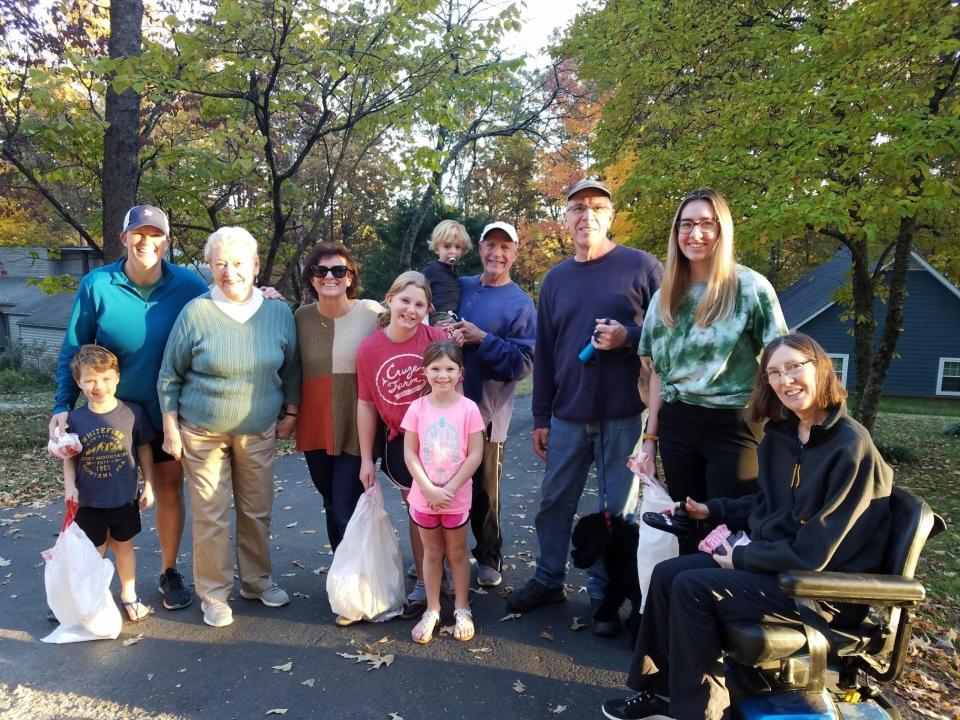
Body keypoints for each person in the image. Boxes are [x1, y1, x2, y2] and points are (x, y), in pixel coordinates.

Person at [600, 333, 893, 720]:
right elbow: (767, 504)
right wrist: (711, 509)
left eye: (794, 368)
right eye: (774, 372)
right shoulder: (784, 436)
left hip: (819, 589)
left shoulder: (849, 447)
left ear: (820, 368)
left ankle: (700, 711)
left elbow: (816, 551)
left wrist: (740, 556)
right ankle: (666, 693)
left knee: (692, 587)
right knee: (669, 573)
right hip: (780, 566)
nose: (785, 380)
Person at [507, 179, 662, 639]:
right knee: (554, 501)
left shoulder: (641, 267)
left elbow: (667, 334)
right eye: (577, 207)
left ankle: (605, 591)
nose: (586, 215)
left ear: (610, 216)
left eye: (596, 207)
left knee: (616, 511)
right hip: (567, 415)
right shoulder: (556, 279)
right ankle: (548, 578)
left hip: (624, 414)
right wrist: (539, 417)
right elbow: (547, 352)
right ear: (565, 219)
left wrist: (628, 339)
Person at [51, 204, 207, 612]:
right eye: (138, 233)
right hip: (108, 416)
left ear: (166, 242)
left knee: (169, 489)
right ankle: (84, 585)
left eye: (156, 234)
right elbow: (74, 347)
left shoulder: (190, 286)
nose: (146, 241)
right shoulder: (97, 284)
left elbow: (225, 312)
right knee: (98, 498)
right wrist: (63, 404)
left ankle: (169, 572)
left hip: (167, 413)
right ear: (124, 238)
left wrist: (262, 297)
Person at [157, 227, 300, 628]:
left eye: (238, 263)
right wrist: (170, 428)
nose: (229, 271)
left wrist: (291, 413)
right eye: (220, 263)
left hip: (257, 430)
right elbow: (169, 376)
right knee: (212, 515)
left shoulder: (278, 312)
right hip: (201, 431)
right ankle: (215, 594)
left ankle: (256, 581)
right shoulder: (196, 312)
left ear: (255, 266)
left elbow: (292, 370)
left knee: (257, 511)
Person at [637, 188, 787, 550]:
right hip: (677, 426)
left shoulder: (751, 288)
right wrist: (650, 440)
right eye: (686, 225)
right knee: (687, 528)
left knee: (729, 533)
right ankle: (689, 604)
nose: (696, 233)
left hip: (733, 424)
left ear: (722, 231)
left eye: (707, 223)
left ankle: (729, 605)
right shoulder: (665, 296)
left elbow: (782, 359)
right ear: (676, 233)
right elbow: (658, 372)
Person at [356, 271, 448, 618]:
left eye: (419, 304)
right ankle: (426, 582)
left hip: (442, 442)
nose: (411, 310)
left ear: (427, 309)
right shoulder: (370, 349)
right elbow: (365, 404)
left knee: (447, 509)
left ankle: (447, 571)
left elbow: (458, 393)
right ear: (390, 299)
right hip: (402, 443)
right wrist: (367, 459)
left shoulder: (436, 338)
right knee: (420, 510)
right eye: (405, 300)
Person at [450, 220, 535, 588]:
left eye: (505, 247)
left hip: (487, 413)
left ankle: (488, 556)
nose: (496, 253)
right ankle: (438, 553)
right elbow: (417, 294)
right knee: (442, 484)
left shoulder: (520, 303)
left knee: (485, 492)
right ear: (480, 248)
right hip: (443, 408)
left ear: (515, 254)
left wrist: (482, 339)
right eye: (490, 245)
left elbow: (524, 363)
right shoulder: (462, 286)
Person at [295, 242, 383, 552]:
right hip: (316, 424)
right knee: (332, 502)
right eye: (320, 270)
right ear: (311, 277)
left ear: (350, 277)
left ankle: (363, 582)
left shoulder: (372, 313)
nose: (329, 276)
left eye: (338, 270)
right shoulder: (300, 317)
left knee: (346, 503)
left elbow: (404, 335)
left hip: (358, 424)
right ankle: (343, 578)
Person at [61, 344, 156, 621]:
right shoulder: (75, 419)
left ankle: (128, 595)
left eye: (104, 378)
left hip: (123, 498)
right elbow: (69, 457)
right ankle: (88, 599)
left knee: (124, 547)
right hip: (89, 500)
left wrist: (149, 483)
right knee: (93, 553)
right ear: (79, 383)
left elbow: (145, 449)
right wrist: (70, 487)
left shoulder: (132, 413)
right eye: (89, 380)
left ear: (116, 377)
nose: (97, 385)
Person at [402, 340, 485, 643]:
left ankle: (462, 607)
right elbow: (410, 452)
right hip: (424, 497)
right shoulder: (417, 408)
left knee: (457, 553)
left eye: (450, 368)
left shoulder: (468, 409)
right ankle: (433, 609)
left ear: (460, 372)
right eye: (435, 368)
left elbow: (475, 454)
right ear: (425, 371)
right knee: (432, 553)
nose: (442, 375)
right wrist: (427, 488)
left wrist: (448, 488)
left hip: (456, 497)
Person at [420, 219, 472, 323]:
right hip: (437, 316)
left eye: (457, 247)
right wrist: (426, 303)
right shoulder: (433, 269)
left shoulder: (454, 272)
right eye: (447, 246)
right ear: (437, 248)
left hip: (452, 315)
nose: (453, 251)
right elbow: (417, 287)